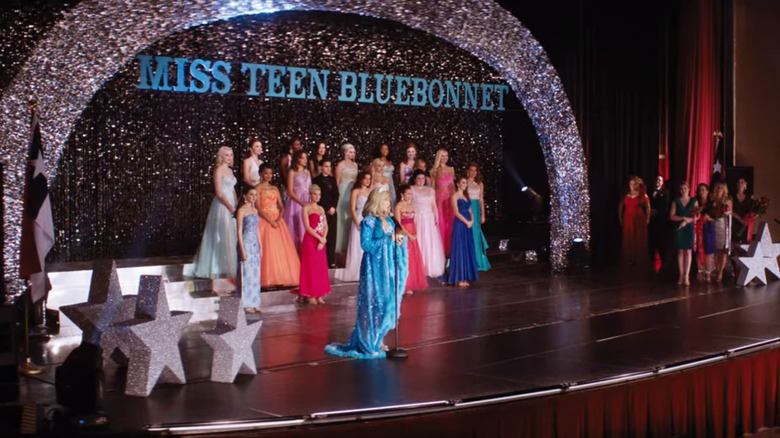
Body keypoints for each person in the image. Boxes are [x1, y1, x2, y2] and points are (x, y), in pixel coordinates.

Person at [325, 187, 408, 359]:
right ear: (377, 201)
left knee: (386, 303)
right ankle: (369, 341)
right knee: (373, 303)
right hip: (374, 269)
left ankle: (380, 338)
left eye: (388, 200)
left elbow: (391, 242)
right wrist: (386, 240)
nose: (388, 203)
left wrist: (398, 243)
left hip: (388, 268)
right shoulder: (369, 221)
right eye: (385, 200)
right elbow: (366, 245)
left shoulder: (390, 222)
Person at [186, 146, 238, 279]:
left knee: (231, 234)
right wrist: (230, 207)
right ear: (221, 157)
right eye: (226, 155)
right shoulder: (218, 170)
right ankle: (216, 266)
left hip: (232, 204)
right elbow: (219, 193)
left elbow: (232, 190)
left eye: (231, 155)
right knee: (221, 234)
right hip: (222, 206)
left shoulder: (230, 171)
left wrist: (237, 206)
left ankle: (229, 265)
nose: (229, 157)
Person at [255, 165, 300, 288]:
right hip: (264, 220)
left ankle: (281, 277)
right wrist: (270, 220)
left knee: (279, 251)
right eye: (265, 173)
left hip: (277, 220)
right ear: (260, 174)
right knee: (268, 250)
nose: (268, 176)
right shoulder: (257, 188)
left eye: (270, 173)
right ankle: (267, 278)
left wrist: (279, 218)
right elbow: (258, 207)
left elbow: (281, 205)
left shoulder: (275, 188)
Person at [336, 172, 372, 282]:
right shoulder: (355, 191)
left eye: (369, 179)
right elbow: (352, 208)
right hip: (359, 218)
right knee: (358, 244)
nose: (367, 181)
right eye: (365, 178)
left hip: (370, 218)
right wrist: (357, 222)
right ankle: (357, 270)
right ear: (361, 179)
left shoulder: (370, 191)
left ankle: (368, 270)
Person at [298, 184, 331, 304]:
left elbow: (325, 226)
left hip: (321, 240)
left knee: (319, 267)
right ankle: (310, 294)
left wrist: (324, 239)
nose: (317, 197)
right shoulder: (306, 208)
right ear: (310, 195)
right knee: (310, 267)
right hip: (310, 240)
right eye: (314, 194)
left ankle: (319, 294)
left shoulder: (321, 209)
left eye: (319, 194)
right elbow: (307, 227)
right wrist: (319, 238)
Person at [411, 169, 446, 277]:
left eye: (423, 178)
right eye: (418, 178)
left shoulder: (430, 190)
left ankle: (430, 266)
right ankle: (419, 266)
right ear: (415, 179)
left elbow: (433, 204)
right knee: (420, 239)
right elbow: (409, 204)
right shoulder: (411, 189)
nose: (421, 180)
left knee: (429, 240)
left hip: (429, 217)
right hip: (418, 217)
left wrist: (436, 216)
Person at [445, 176, 479, 287]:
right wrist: (466, 222)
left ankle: (465, 277)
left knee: (466, 248)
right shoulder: (454, 196)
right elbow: (456, 212)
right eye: (463, 183)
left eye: (466, 183)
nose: (465, 185)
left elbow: (470, 210)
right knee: (459, 249)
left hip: (468, 224)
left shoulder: (465, 196)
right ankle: (459, 278)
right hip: (460, 224)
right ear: (458, 184)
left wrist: (472, 220)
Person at [395, 185, 428, 294]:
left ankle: (409, 284)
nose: (410, 196)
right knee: (403, 257)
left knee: (412, 259)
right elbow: (398, 224)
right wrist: (408, 234)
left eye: (411, 194)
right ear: (402, 195)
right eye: (408, 194)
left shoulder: (411, 206)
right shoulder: (398, 206)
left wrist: (416, 233)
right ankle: (402, 284)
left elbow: (414, 221)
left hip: (412, 233)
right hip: (402, 233)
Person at [236, 188, 262, 313]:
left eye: (255, 195)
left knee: (255, 273)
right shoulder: (241, 211)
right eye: (251, 194)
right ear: (245, 196)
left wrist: (261, 246)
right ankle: (246, 303)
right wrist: (242, 248)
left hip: (254, 244)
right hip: (246, 242)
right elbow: (239, 231)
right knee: (246, 273)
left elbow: (257, 229)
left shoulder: (255, 210)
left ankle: (255, 302)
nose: (254, 197)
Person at [669, 181, 698, 285]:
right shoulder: (676, 201)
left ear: (689, 189)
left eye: (685, 188)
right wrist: (682, 218)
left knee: (688, 252)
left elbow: (696, 216)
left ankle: (687, 276)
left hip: (689, 228)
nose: (684, 190)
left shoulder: (694, 201)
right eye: (682, 189)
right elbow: (671, 216)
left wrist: (687, 221)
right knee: (680, 251)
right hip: (679, 228)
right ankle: (681, 275)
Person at [618, 176, 650, 269]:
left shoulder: (642, 194)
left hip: (639, 219)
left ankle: (639, 259)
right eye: (631, 184)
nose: (632, 186)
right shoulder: (625, 195)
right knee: (629, 237)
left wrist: (648, 219)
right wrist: (620, 218)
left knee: (639, 238)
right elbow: (620, 207)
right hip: (628, 218)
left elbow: (648, 207)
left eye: (634, 184)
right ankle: (629, 259)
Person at [312, 159, 339, 267]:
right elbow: (318, 197)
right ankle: (321, 259)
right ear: (321, 167)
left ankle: (331, 260)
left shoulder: (332, 180)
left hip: (332, 211)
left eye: (329, 166)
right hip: (321, 210)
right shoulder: (316, 180)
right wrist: (327, 207)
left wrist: (333, 207)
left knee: (332, 235)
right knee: (322, 233)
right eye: (326, 166)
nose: (328, 169)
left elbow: (336, 194)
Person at [283, 150, 311, 253]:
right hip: (296, 203)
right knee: (296, 229)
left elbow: (309, 188)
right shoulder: (292, 172)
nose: (305, 160)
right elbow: (290, 191)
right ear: (297, 159)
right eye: (302, 158)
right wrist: (301, 202)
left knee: (306, 228)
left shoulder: (307, 172)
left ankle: (305, 254)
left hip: (307, 201)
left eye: (306, 158)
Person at [335, 143, 359, 256]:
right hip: (343, 190)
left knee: (350, 215)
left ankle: (350, 244)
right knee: (342, 217)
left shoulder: (355, 165)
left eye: (353, 152)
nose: (352, 154)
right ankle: (341, 245)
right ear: (345, 153)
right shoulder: (341, 164)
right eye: (350, 152)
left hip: (352, 190)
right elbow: (337, 180)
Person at [466, 163, 490, 271]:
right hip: (467, 207)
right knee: (467, 232)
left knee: (476, 233)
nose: (473, 172)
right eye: (471, 170)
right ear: (468, 171)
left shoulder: (479, 184)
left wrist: (483, 214)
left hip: (476, 209)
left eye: (475, 171)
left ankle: (477, 260)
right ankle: (467, 259)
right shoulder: (464, 182)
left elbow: (481, 199)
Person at [707, 181, 732, 282]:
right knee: (715, 250)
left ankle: (721, 272)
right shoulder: (712, 199)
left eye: (721, 187)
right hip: (713, 225)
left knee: (723, 250)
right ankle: (716, 269)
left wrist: (724, 212)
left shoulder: (727, 200)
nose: (719, 189)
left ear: (724, 189)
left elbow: (730, 212)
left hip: (723, 226)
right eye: (718, 187)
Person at [432, 149, 455, 256]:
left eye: (446, 155)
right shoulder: (434, 171)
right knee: (441, 225)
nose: (445, 157)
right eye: (442, 156)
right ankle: (440, 253)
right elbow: (432, 188)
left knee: (449, 225)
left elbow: (453, 186)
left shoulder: (451, 169)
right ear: (438, 157)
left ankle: (450, 253)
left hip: (449, 200)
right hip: (439, 200)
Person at [648, 175, 671, 273]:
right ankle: (650, 260)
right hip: (651, 221)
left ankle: (664, 260)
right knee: (651, 241)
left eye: (660, 180)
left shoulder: (665, 192)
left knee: (661, 241)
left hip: (661, 221)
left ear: (662, 182)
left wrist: (657, 211)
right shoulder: (649, 191)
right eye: (656, 179)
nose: (658, 181)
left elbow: (666, 205)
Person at [694, 183, 715, 281]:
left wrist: (709, 218)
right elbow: (693, 215)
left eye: (703, 190)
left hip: (709, 228)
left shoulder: (712, 203)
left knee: (708, 251)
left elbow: (716, 217)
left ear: (707, 191)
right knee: (699, 249)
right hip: (698, 228)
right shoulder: (695, 202)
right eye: (700, 190)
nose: (701, 192)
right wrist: (701, 217)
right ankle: (700, 271)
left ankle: (708, 273)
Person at [731, 177, 751, 244]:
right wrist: (740, 219)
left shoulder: (749, 197)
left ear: (745, 184)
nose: (740, 184)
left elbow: (751, 211)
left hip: (744, 224)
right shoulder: (732, 196)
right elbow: (730, 210)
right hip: (735, 222)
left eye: (742, 182)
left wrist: (747, 219)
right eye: (739, 182)